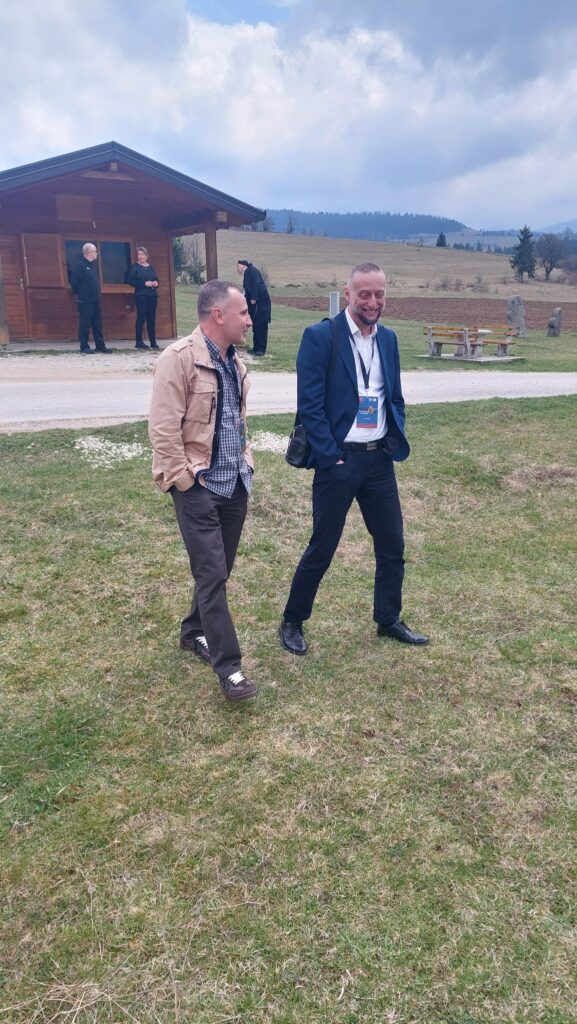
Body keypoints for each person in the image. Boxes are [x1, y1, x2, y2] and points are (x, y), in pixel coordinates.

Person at [279, 262, 429, 656]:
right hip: (339, 461)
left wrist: (394, 429)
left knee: (392, 544)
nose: (372, 302)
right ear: (348, 294)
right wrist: (331, 458)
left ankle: (388, 619)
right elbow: (310, 407)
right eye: (364, 294)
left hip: (378, 460)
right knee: (323, 546)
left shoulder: (389, 339)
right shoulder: (320, 337)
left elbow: (394, 396)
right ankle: (293, 620)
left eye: (379, 294)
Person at [148, 280, 257, 701]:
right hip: (198, 486)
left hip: (234, 484)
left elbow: (235, 421)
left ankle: (193, 630)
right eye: (243, 312)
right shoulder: (177, 360)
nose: (249, 320)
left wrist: (245, 462)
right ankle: (230, 669)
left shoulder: (235, 363)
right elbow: (163, 430)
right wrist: (185, 482)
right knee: (211, 575)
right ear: (218, 315)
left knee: (218, 571)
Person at [70, 243, 111, 353]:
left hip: (95, 300)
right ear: (89, 252)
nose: (97, 253)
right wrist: (80, 294)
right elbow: (74, 282)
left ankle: (100, 345)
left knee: (97, 324)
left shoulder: (92, 265)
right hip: (85, 300)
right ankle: (84, 346)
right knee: (85, 323)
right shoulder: (80, 265)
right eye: (95, 251)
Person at [125, 246, 160, 350]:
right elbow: (130, 281)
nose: (140, 256)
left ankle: (153, 341)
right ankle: (139, 342)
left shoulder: (151, 267)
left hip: (152, 296)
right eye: (138, 254)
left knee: (151, 319)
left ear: (146, 256)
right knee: (141, 318)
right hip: (141, 296)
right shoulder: (135, 267)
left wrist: (156, 283)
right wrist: (144, 283)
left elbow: (156, 279)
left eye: (142, 254)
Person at [236, 259, 271, 356]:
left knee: (261, 325)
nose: (237, 269)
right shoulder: (247, 273)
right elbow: (247, 290)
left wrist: (254, 297)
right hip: (255, 304)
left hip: (261, 303)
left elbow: (256, 283)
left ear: (243, 266)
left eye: (238, 266)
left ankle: (261, 350)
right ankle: (256, 348)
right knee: (255, 325)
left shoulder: (252, 270)